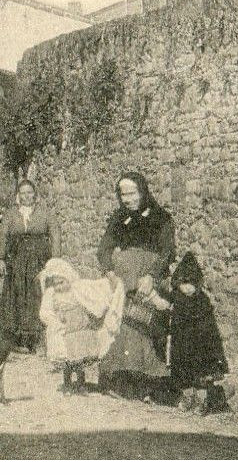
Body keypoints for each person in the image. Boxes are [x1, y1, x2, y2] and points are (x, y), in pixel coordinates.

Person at [96, 171, 176, 400]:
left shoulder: (161, 218)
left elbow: (167, 252)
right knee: (122, 325)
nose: (128, 199)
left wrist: (151, 275)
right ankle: (120, 380)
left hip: (150, 280)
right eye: (123, 195)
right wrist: (110, 274)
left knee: (147, 323)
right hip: (124, 282)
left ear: (142, 192)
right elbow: (103, 251)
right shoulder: (118, 219)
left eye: (132, 194)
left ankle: (148, 382)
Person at [38, 258, 123, 395]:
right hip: (66, 330)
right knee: (67, 358)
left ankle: (81, 382)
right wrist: (57, 318)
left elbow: (89, 299)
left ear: (68, 280)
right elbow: (48, 311)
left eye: (62, 282)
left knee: (80, 358)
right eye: (56, 284)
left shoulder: (76, 291)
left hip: (79, 327)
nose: (59, 287)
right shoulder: (53, 296)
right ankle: (67, 382)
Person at [157, 252, 229, 415]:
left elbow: (210, 330)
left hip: (199, 345)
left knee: (201, 372)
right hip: (182, 343)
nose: (187, 286)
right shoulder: (177, 299)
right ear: (178, 282)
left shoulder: (202, 301)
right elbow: (164, 305)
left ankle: (202, 401)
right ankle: (188, 398)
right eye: (184, 282)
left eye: (191, 282)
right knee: (182, 369)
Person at [0, 179, 57, 352]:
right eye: (23, 193)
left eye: (29, 192)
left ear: (35, 194)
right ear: (18, 196)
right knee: (17, 296)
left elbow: (55, 234)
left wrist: (55, 261)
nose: (26, 196)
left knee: (36, 295)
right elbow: (2, 236)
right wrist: (1, 259)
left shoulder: (45, 213)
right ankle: (19, 340)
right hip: (16, 262)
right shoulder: (10, 214)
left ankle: (37, 339)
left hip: (38, 261)